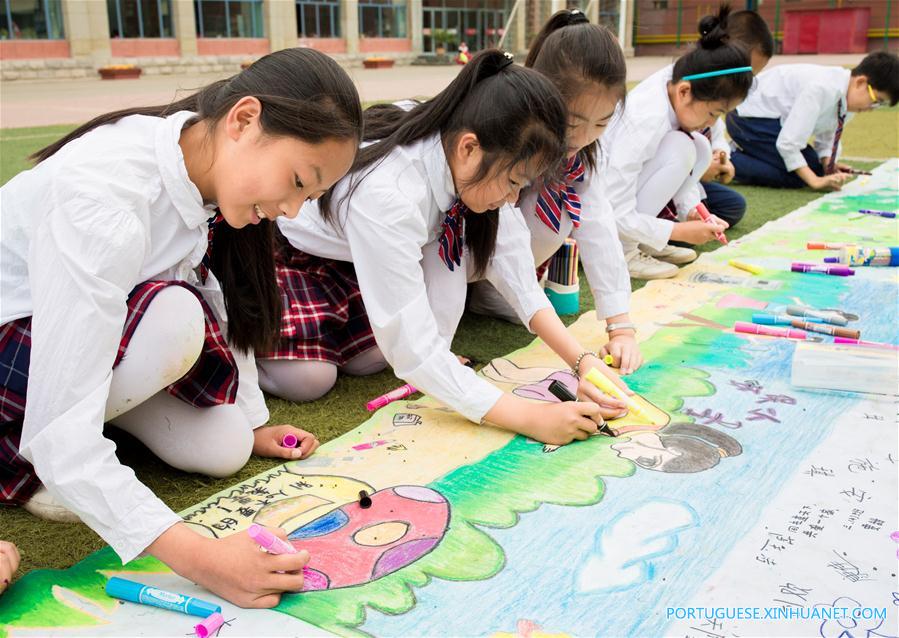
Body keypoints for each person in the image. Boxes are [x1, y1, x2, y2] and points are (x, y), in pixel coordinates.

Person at [0, 48, 361, 607]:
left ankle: (86, 440)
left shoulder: (198, 165)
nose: (291, 210)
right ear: (244, 120)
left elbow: (214, 297)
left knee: (225, 445)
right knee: (173, 315)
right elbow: (64, 428)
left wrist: (253, 419)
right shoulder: (107, 200)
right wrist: (207, 560)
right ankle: (20, 459)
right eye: (296, 181)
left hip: (66, 336)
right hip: (11, 349)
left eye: (307, 197)